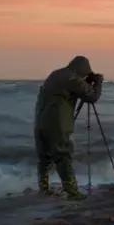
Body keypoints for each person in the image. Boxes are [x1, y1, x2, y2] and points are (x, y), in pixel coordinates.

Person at [34, 56, 104, 199]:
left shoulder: (56, 74)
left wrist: (86, 82)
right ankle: (72, 191)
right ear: (82, 69)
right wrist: (98, 82)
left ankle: (43, 188)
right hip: (57, 123)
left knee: (44, 157)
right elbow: (92, 96)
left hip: (40, 121)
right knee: (63, 155)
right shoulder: (72, 78)